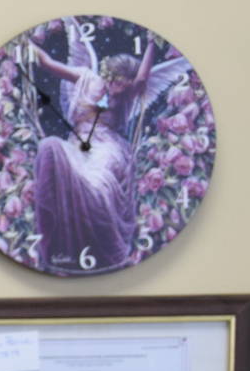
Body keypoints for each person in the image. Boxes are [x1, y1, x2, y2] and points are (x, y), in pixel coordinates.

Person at [30, 27, 157, 274]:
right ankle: (57, 244)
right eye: (111, 83)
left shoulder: (129, 93)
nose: (112, 91)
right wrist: (26, 43)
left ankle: (96, 240)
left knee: (99, 186)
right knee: (49, 147)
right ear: (107, 75)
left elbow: (142, 80)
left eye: (120, 87)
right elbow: (47, 62)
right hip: (76, 144)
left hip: (106, 147)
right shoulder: (86, 77)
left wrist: (152, 43)